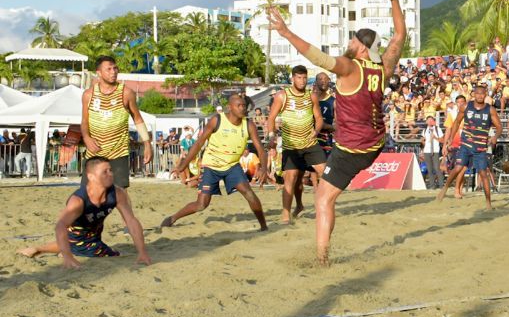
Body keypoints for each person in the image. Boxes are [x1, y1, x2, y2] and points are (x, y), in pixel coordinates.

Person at [268, 0, 406, 264]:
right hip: (375, 143)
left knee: (323, 199)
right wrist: (394, 0)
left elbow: (318, 58)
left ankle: (322, 258)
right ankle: (320, 252)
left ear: (362, 47)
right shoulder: (383, 68)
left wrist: (286, 33)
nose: (349, 42)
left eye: (353, 39)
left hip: (352, 148)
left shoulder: (350, 67)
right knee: (324, 192)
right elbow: (399, 35)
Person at [17, 157, 152, 268]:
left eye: (110, 170)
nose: (110, 174)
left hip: (92, 235)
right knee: (114, 254)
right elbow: (60, 226)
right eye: (104, 172)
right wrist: (68, 258)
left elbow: (131, 221)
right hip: (77, 235)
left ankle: (40, 249)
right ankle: (58, 251)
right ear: (91, 177)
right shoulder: (78, 200)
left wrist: (142, 252)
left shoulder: (117, 193)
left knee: (84, 243)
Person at [163, 92, 269, 231]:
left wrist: (264, 169)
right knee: (202, 204)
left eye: (244, 105)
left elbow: (260, 148)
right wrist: (182, 165)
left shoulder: (248, 125)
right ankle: (172, 218)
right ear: (229, 107)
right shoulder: (217, 120)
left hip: (232, 166)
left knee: (249, 193)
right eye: (238, 105)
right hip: (211, 166)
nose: (242, 108)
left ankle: (264, 226)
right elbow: (199, 143)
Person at [81, 55, 153, 230]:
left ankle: (129, 225)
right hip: (95, 152)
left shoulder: (126, 92)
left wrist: (147, 143)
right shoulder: (89, 94)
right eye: (109, 69)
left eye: (115, 68)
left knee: (120, 191)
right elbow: (84, 121)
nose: (113, 72)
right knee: (88, 191)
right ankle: (86, 226)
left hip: (118, 151)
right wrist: (87, 138)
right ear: (99, 73)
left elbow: (137, 118)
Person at [267, 64, 326, 224]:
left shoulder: (311, 96)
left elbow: (319, 118)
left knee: (325, 173)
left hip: (310, 143)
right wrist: (271, 136)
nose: (302, 80)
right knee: (292, 179)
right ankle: (287, 213)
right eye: (299, 77)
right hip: (291, 146)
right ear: (293, 78)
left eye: (305, 77)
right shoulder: (282, 96)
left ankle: (325, 206)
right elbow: (271, 118)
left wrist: (316, 131)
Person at [440, 83, 503, 208]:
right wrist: (451, 138)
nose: (480, 96)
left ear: (485, 95)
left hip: (480, 147)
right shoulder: (466, 106)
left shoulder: (490, 109)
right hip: (466, 144)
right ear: (474, 94)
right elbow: (456, 122)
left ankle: (488, 203)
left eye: (482, 94)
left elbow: (499, 126)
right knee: (458, 168)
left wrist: (495, 136)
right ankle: (445, 189)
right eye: (477, 93)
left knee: (483, 174)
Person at [421, 115, 445, 189]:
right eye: (428, 120)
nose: (430, 122)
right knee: (429, 169)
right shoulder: (425, 130)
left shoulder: (438, 129)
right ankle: (432, 185)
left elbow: (442, 140)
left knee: (437, 168)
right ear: (426, 122)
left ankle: (441, 185)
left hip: (435, 151)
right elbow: (423, 141)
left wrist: (435, 137)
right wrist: (423, 143)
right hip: (427, 151)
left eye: (431, 120)